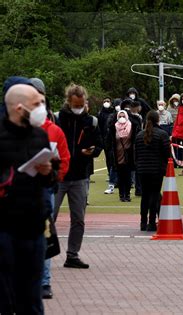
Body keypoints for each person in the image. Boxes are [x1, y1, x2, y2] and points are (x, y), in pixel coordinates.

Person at [0, 83, 55, 314]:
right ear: (19, 108)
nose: (41, 108)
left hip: (33, 226)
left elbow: (49, 181)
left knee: (32, 297)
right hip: (4, 227)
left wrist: (47, 172)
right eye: (36, 104)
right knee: (4, 295)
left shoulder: (40, 135)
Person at [54, 84, 103, 269]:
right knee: (50, 216)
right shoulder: (58, 119)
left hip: (81, 176)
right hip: (58, 176)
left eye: (82, 104)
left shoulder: (92, 121)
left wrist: (92, 151)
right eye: (76, 104)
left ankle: (72, 254)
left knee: (79, 219)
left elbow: (100, 145)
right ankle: (43, 254)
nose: (79, 107)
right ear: (69, 101)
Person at [32, 77, 70, 300]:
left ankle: (44, 282)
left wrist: (54, 177)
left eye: (40, 100)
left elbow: (64, 159)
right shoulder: (13, 129)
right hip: (17, 194)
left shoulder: (54, 131)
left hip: (44, 191)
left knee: (44, 236)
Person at [135, 111, 170, 231]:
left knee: (145, 195)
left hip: (142, 170)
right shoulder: (162, 134)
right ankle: (151, 223)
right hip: (157, 170)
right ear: (158, 120)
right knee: (154, 195)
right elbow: (167, 153)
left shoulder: (139, 135)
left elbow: (136, 154)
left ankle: (142, 223)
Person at [108, 110, 140, 202]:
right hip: (117, 154)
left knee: (128, 176)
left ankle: (128, 194)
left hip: (129, 155)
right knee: (120, 176)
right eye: (120, 116)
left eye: (123, 116)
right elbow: (109, 141)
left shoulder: (132, 126)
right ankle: (121, 195)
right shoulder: (113, 127)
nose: (122, 118)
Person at [98, 97, 117, 194]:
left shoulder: (114, 112)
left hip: (113, 139)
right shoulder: (100, 113)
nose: (106, 103)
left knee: (113, 158)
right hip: (105, 139)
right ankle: (110, 175)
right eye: (104, 101)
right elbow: (99, 127)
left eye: (108, 101)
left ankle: (114, 177)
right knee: (108, 158)